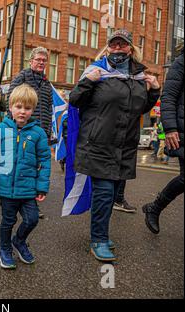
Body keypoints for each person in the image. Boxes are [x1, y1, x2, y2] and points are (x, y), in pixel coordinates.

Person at [69, 29, 160, 262]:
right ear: (108, 47)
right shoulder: (96, 71)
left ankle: (101, 235)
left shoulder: (138, 76)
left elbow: (140, 109)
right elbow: (75, 100)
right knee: (105, 191)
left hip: (124, 145)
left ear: (131, 48)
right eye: (114, 45)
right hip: (98, 142)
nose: (118, 48)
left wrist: (155, 90)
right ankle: (98, 239)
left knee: (110, 195)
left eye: (123, 45)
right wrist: (88, 82)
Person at [0, 84, 51, 269]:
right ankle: (4, 248)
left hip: (28, 187)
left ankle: (19, 241)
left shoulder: (38, 133)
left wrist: (42, 186)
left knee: (32, 219)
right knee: (8, 221)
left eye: (27, 108)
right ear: (11, 107)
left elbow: (45, 160)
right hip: (6, 187)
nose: (22, 112)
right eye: (19, 107)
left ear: (33, 110)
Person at [143, 47, 184, 234]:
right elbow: (168, 96)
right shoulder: (181, 62)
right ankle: (155, 207)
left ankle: (154, 207)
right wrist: (170, 128)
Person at [8, 47, 53, 143]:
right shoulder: (21, 77)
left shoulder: (47, 83)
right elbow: (10, 102)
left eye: (44, 60)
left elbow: (49, 109)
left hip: (42, 132)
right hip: (24, 130)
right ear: (31, 61)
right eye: (38, 59)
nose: (41, 62)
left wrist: (48, 131)